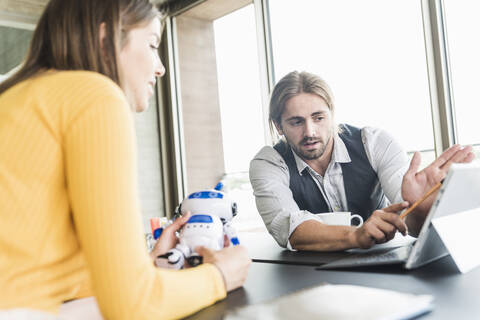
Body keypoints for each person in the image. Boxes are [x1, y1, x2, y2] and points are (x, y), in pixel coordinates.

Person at [0, 0, 250, 319]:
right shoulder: (94, 94)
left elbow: (38, 271)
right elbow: (133, 307)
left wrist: (144, 267)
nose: (160, 67)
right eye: (152, 44)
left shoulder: (17, 97)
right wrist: (221, 276)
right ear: (106, 40)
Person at [249, 71, 474, 251]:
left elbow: (410, 225)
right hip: (305, 276)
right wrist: (356, 235)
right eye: (296, 122)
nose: (310, 132)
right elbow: (289, 228)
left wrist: (421, 209)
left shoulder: (374, 143)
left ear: (332, 114)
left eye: (318, 118)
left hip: (381, 266)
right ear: (279, 126)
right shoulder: (269, 163)